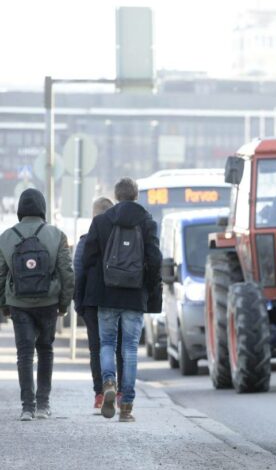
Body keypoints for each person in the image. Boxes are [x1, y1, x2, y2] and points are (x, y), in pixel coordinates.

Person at [81, 178, 162, 422]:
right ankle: (126, 406)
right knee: (129, 349)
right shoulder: (147, 222)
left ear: (116, 196)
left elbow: (87, 259)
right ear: (136, 196)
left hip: (107, 293)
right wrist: (148, 289)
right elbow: (155, 261)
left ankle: (108, 382)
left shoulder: (101, 221)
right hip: (135, 296)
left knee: (107, 342)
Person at [0, 188, 74, 421]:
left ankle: (27, 407)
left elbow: (1, 276)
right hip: (48, 302)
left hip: (19, 303)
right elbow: (67, 273)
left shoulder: (6, 237)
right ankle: (43, 405)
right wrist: (63, 304)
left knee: (24, 354)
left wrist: (4, 305)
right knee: (45, 350)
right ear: (43, 208)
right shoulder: (57, 235)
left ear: (20, 209)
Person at [74, 196, 124, 410]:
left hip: (92, 301)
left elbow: (78, 272)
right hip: (119, 299)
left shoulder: (86, 240)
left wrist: (78, 302)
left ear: (93, 216)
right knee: (120, 346)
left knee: (96, 347)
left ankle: (99, 394)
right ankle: (121, 392)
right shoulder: (121, 238)